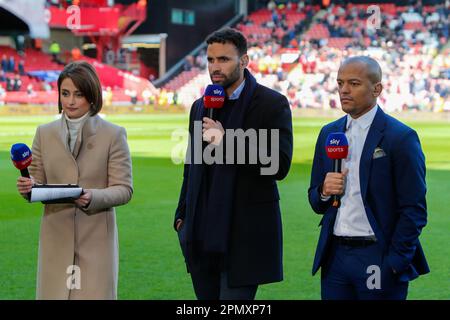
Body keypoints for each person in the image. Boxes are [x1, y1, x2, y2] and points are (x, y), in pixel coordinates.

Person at [174, 28, 293, 300]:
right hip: (200, 231)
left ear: (244, 61)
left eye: (224, 60)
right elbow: (192, 166)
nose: (215, 67)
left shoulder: (271, 104)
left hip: (244, 234)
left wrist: (227, 142)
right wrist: (182, 216)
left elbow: (280, 164)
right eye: (211, 60)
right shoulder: (200, 106)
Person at [308, 56, 429, 300]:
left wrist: (394, 262)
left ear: (377, 89)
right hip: (335, 257)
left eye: (353, 83)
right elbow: (315, 200)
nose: (344, 90)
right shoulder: (328, 133)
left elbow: (414, 209)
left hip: (378, 255)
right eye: (340, 83)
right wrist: (323, 190)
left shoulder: (401, 137)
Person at [16, 61, 133, 299]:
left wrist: (93, 197)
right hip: (55, 238)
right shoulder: (44, 133)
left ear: (92, 96)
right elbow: (36, 180)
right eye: (65, 93)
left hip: (96, 239)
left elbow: (124, 189)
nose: (70, 101)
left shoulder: (114, 134)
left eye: (78, 94)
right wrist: (28, 187)